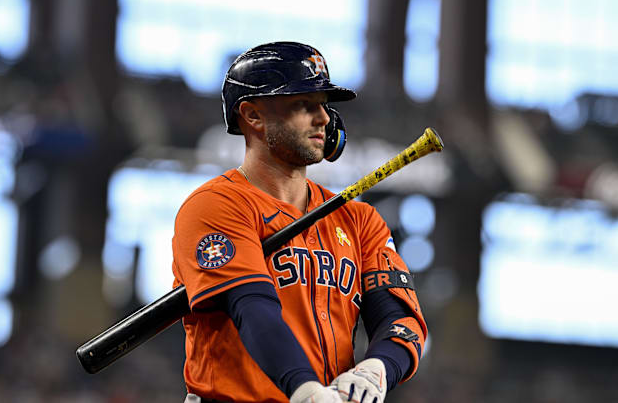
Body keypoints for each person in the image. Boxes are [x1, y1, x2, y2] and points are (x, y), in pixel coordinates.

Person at [172, 41, 427, 403]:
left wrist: (379, 368)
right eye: (303, 105)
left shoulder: (359, 219)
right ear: (253, 116)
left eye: (323, 106)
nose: (323, 118)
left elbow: (399, 316)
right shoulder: (216, 205)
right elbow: (252, 307)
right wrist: (304, 389)